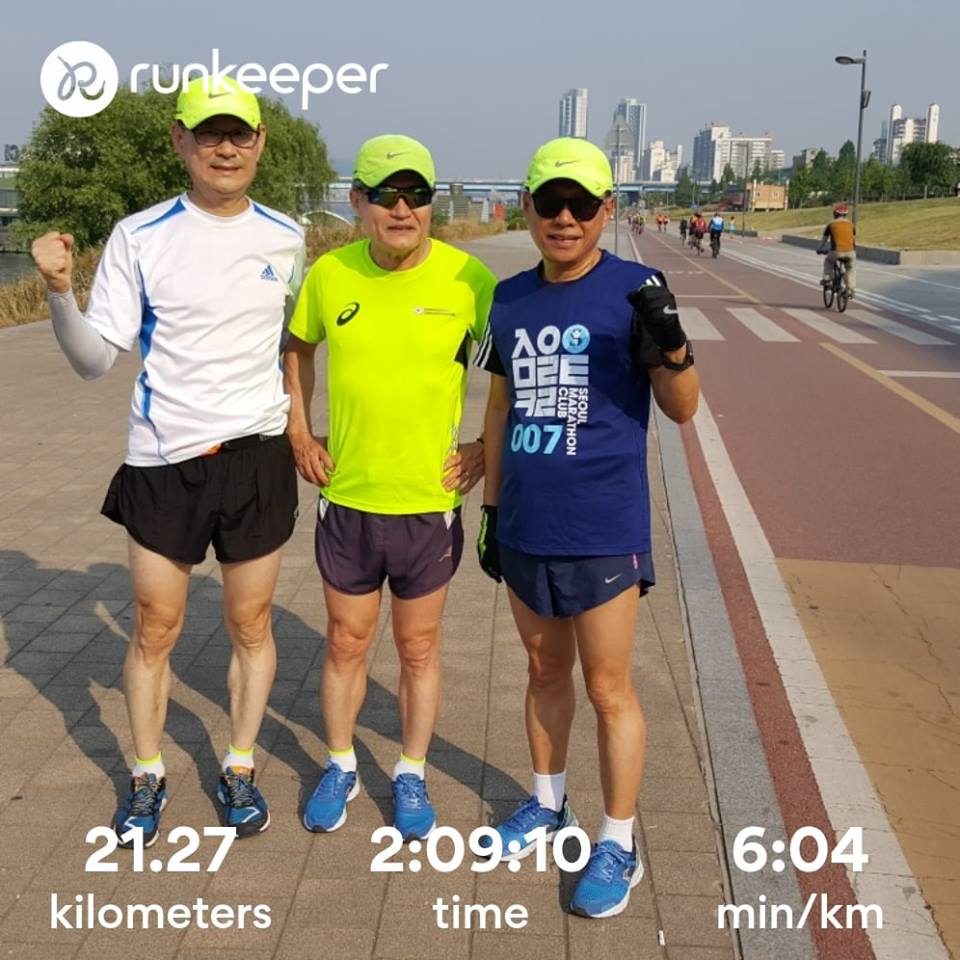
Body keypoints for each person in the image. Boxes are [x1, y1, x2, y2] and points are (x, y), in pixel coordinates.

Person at [30, 77, 305, 845]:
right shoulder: (140, 235)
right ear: (180, 140)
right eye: (209, 132)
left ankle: (239, 766)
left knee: (251, 623)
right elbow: (94, 360)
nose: (226, 147)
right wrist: (59, 293)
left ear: (259, 143)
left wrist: (308, 428)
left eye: (240, 133)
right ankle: (146, 773)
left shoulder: (288, 237)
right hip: (163, 461)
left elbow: (297, 344)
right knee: (156, 626)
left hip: (257, 458)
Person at [473, 137, 700, 918]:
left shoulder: (636, 290)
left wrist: (674, 345)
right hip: (527, 524)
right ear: (528, 208)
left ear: (607, 209)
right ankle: (547, 803)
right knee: (543, 673)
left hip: (604, 528)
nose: (564, 218)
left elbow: (682, 408)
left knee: (608, 689)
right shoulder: (508, 299)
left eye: (580, 204)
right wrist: (491, 510)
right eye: (550, 202)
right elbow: (499, 409)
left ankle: (619, 842)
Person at [283, 135, 496, 841]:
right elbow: (297, 348)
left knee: (418, 647)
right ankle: (340, 764)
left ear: (432, 203)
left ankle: (411, 771)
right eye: (386, 196)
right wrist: (299, 432)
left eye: (417, 195)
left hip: (427, 504)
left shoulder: (469, 280)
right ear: (358, 202)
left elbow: (511, 373)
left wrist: (484, 448)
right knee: (346, 642)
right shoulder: (329, 274)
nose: (402, 210)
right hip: (349, 497)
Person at [820, 203, 856, 297]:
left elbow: (824, 238)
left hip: (836, 251)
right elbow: (853, 238)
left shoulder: (831, 224)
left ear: (835, 214)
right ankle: (850, 289)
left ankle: (827, 279)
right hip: (850, 252)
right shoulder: (851, 224)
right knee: (850, 268)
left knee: (828, 261)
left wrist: (820, 248)